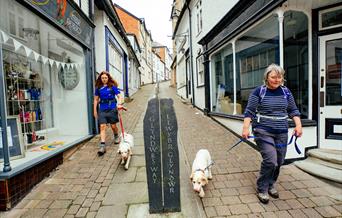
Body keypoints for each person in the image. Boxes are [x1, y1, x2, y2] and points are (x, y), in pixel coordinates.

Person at [242, 64, 302, 204]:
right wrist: (246, 128)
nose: (276, 79)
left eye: (279, 76)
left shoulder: (286, 92)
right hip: (263, 130)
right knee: (270, 160)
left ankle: (271, 183)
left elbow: (293, 110)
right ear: (267, 77)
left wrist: (298, 125)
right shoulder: (259, 91)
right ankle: (262, 188)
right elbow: (249, 111)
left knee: (279, 161)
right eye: (273, 77)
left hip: (281, 131)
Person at [94, 71, 123, 155]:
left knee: (113, 126)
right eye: (102, 78)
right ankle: (102, 145)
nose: (104, 79)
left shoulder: (112, 86)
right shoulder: (98, 88)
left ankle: (116, 135)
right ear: (100, 78)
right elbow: (96, 100)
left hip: (112, 108)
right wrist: (95, 110)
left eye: (105, 78)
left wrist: (119, 104)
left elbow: (119, 96)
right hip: (102, 109)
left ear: (108, 78)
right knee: (102, 126)